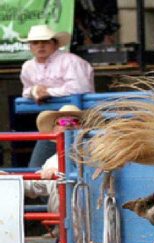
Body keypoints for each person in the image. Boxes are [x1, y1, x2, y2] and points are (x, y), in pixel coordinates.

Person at [20, 24, 94, 168]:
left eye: (45, 41)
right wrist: (35, 91)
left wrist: (47, 92)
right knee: (42, 167)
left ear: (55, 43)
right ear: (30, 46)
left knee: (81, 164)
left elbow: (79, 88)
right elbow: (26, 90)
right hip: (54, 123)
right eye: (35, 42)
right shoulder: (28, 66)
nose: (40, 46)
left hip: (76, 120)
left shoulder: (71, 61)